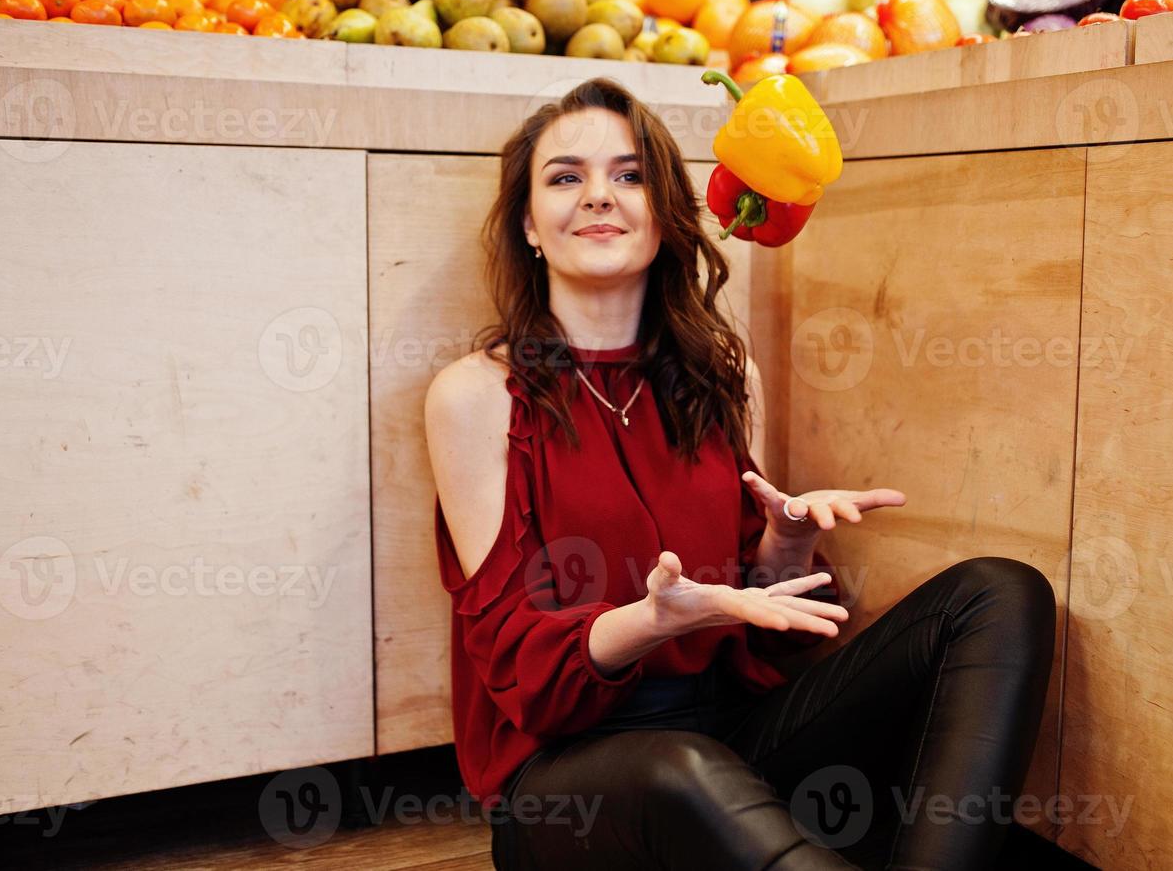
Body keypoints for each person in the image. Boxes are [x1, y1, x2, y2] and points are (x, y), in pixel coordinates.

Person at [423, 77, 1056, 870]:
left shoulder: (723, 375)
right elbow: (514, 663)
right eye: (564, 177)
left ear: (664, 215)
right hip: (572, 781)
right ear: (528, 225)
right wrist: (652, 621)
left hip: (732, 736)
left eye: (629, 175)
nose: (597, 196)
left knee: (997, 592)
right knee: (682, 768)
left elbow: (763, 620)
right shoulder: (478, 396)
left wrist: (786, 543)